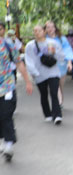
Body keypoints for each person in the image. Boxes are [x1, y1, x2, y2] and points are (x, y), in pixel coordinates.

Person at [0, 25, 33, 162]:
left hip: (7, 86)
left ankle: (9, 145)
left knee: (6, 115)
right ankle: (4, 140)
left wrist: (28, 81)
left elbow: (19, 63)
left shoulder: (8, 45)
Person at [25, 25, 64, 125]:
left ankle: (57, 115)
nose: (37, 32)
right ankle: (47, 114)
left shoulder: (53, 43)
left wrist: (55, 53)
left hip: (53, 72)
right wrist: (34, 72)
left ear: (44, 31)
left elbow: (61, 58)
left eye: (39, 30)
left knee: (54, 93)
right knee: (44, 94)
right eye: (35, 31)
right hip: (39, 74)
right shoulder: (30, 46)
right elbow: (28, 60)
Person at [45, 20, 73, 107]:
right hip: (50, 65)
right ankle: (58, 101)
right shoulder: (43, 40)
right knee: (55, 83)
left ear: (55, 28)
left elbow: (67, 50)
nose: (50, 29)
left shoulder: (62, 39)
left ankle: (60, 100)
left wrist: (69, 62)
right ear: (45, 29)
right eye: (48, 27)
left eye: (52, 27)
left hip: (61, 64)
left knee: (60, 85)